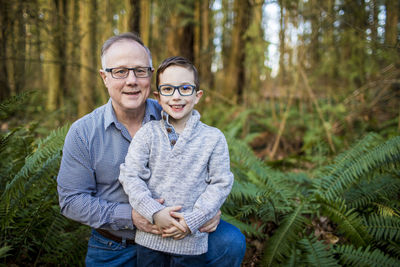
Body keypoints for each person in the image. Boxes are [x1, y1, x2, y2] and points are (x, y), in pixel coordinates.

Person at [56, 32, 246, 266]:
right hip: (115, 243)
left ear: (151, 76)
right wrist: (133, 217)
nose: (131, 80)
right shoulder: (84, 132)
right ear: (104, 77)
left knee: (231, 242)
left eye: (140, 70)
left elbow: (210, 174)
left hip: (181, 233)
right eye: (120, 71)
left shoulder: (174, 111)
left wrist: (206, 213)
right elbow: (71, 200)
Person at [118, 56, 234, 266]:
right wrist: (153, 211)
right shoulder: (148, 134)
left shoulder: (213, 138)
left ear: (197, 95)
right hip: (151, 240)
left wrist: (194, 220)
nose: (177, 96)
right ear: (158, 96)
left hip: (191, 242)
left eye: (185, 88)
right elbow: (130, 175)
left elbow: (220, 183)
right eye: (168, 89)